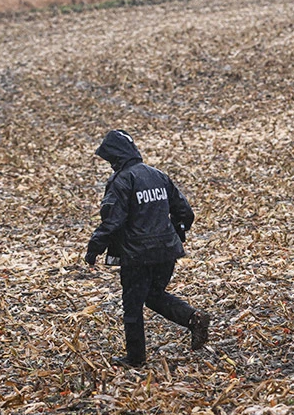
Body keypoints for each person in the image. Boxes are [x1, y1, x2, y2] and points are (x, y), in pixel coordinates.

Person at [85, 130, 210, 368]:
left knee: (132, 306)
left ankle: (135, 358)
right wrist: (176, 233)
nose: (109, 164)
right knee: (152, 295)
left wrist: (94, 249)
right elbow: (185, 213)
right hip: (167, 252)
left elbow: (112, 221)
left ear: (117, 157)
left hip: (137, 256)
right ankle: (193, 318)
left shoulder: (121, 181)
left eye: (110, 159)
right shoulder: (158, 176)